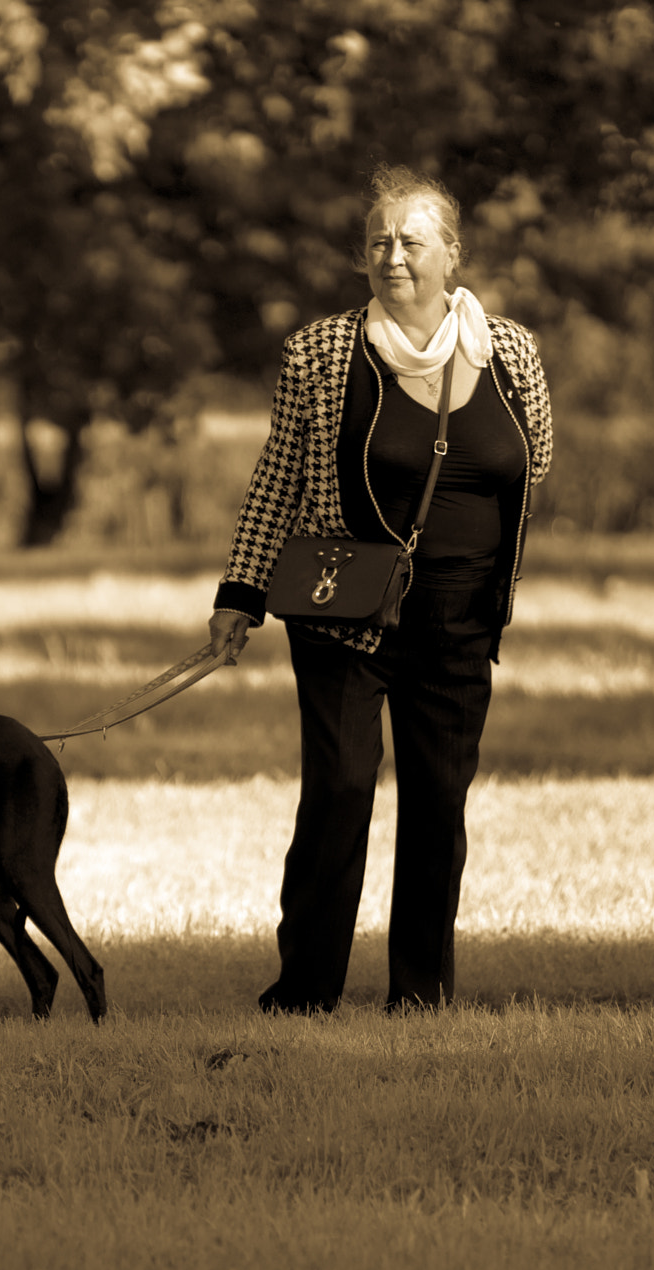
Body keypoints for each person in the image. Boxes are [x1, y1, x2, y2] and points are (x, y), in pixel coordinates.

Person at [207, 165, 554, 1013]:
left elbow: (534, 457)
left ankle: (421, 994)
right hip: (345, 611)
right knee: (341, 794)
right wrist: (240, 592)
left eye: (411, 241)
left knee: (438, 804)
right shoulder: (322, 353)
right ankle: (306, 992)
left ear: (451, 253)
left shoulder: (510, 349)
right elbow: (277, 478)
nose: (393, 256)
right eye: (378, 242)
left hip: (461, 618)